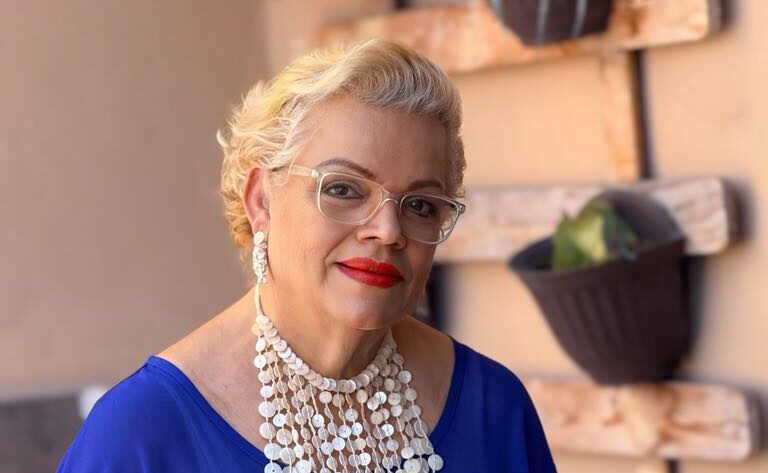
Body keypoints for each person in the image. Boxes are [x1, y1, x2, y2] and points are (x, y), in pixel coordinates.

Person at [55, 38, 557, 473]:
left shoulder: (495, 408)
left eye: (420, 205)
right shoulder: (141, 433)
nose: (387, 231)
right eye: (344, 189)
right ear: (261, 200)